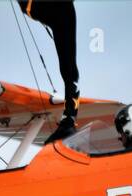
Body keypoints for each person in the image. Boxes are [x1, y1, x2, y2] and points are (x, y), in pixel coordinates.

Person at [21, 1, 80, 142]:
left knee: (69, 69)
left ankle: (68, 122)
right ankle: (68, 121)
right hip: (49, 9)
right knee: (69, 69)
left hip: (56, 10)